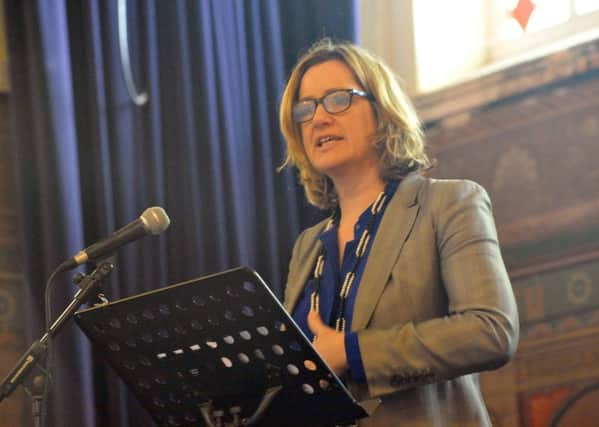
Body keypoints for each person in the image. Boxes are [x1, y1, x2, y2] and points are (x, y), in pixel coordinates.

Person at [279, 38, 519, 427]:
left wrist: (353, 352)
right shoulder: (307, 247)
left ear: (382, 110)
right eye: (305, 109)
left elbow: (491, 331)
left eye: (337, 99)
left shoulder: (450, 203)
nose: (318, 118)